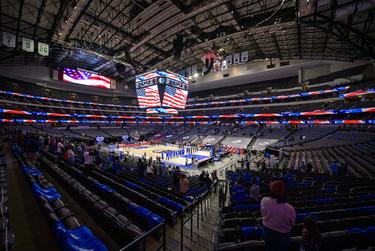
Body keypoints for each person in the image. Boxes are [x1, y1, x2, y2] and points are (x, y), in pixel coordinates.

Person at [261, 180, 296, 251]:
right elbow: (292, 223)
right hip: (283, 235)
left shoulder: (264, 201)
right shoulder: (290, 208)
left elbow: (263, 215)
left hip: (268, 232)